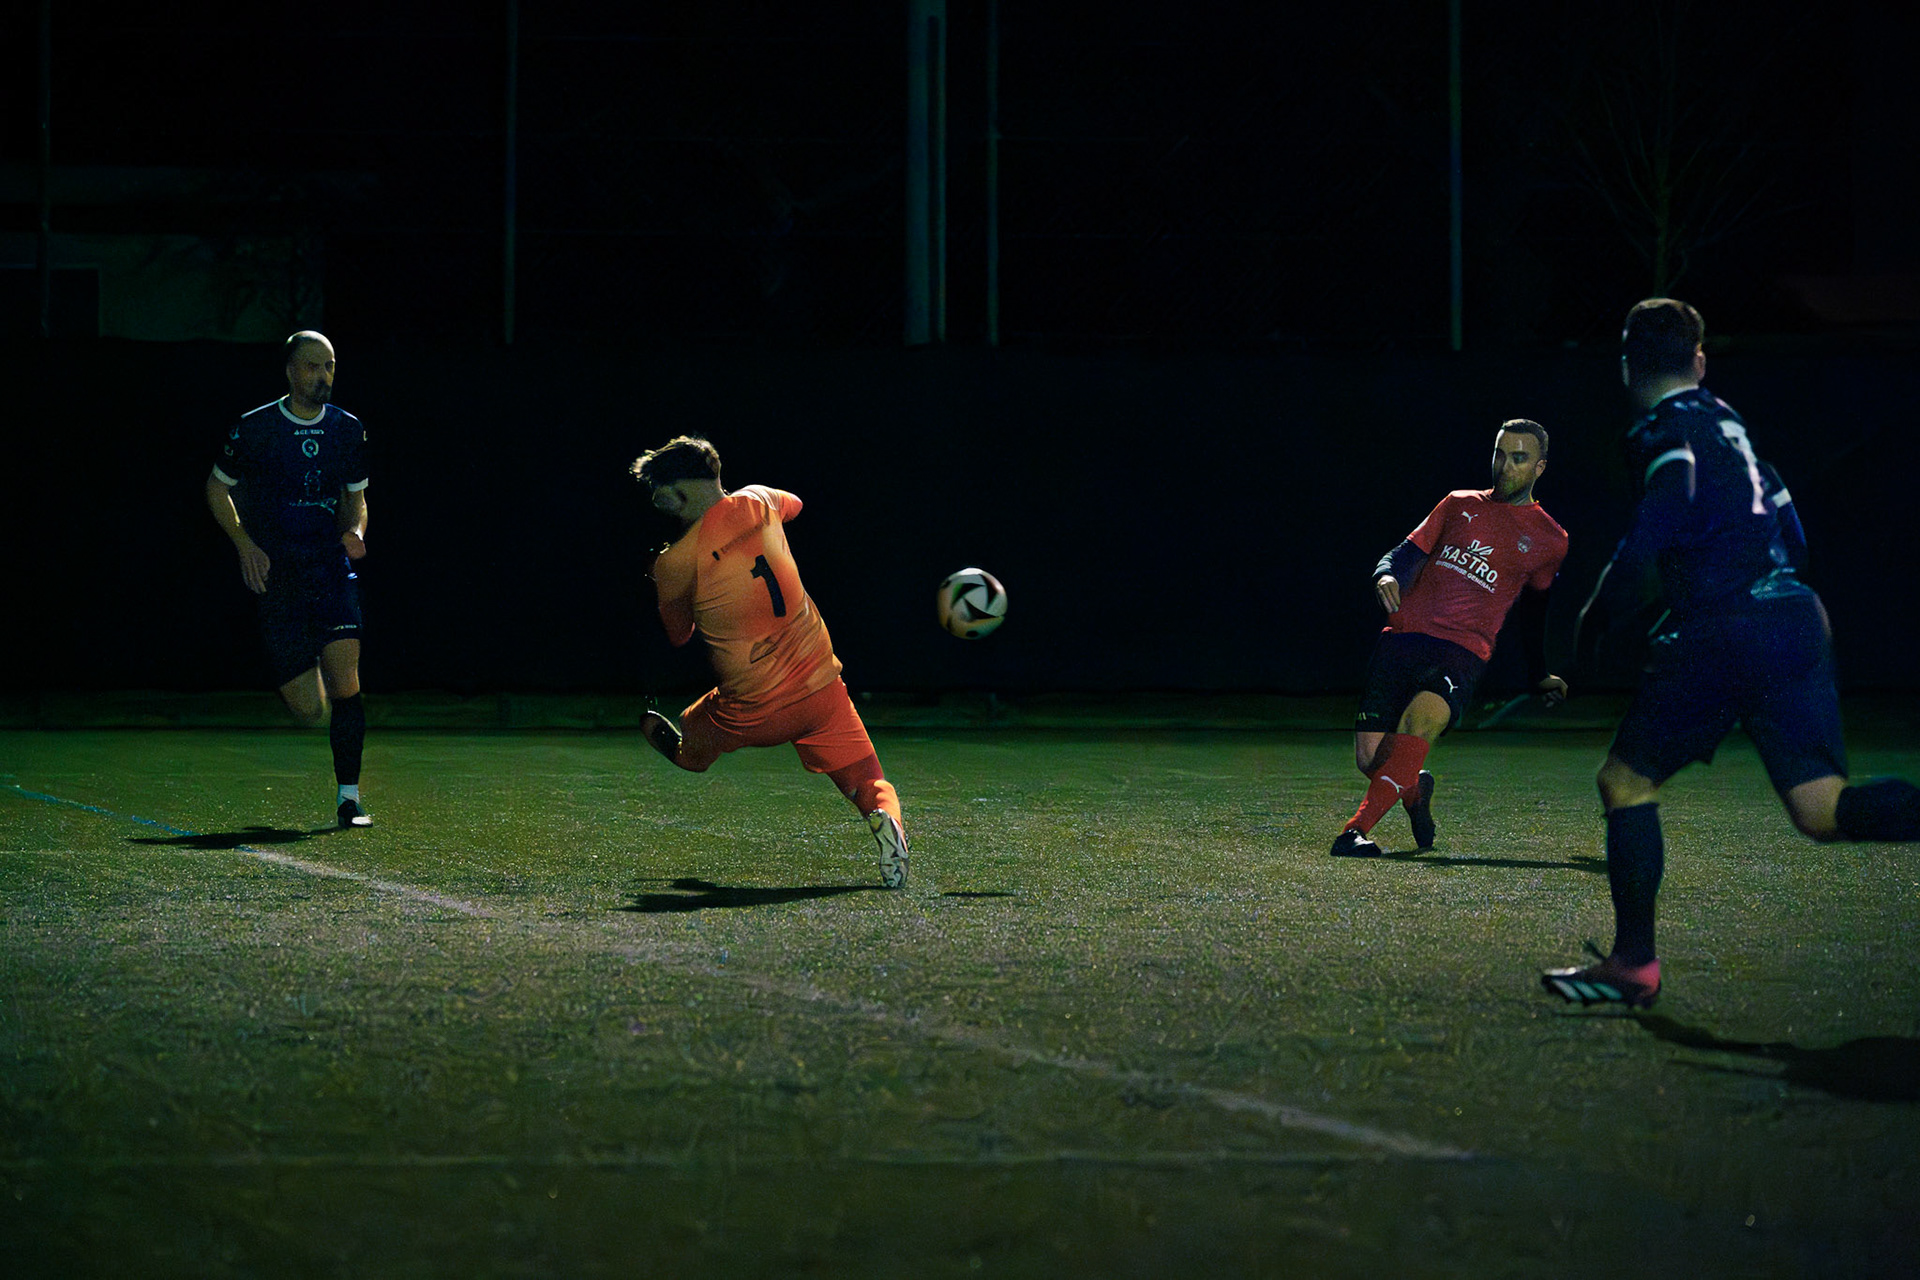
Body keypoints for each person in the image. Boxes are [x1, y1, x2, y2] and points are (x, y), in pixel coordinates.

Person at [1542, 298, 1920, 1008]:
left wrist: (1594, 622)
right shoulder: (1734, 430)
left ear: (1628, 367)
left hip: (1725, 630)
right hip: (1792, 617)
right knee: (1823, 808)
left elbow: (1663, 516)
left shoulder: (1663, 430)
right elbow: (1791, 532)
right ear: (1700, 361)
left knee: (1625, 782)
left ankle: (1633, 967)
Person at [631, 436, 909, 888]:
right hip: (822, 690)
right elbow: (795, 504)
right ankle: (883, 819)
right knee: (870, 782)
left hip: (752, 711)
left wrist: (666, 575)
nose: (657, 502)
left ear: (675, 492)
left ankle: (683, 750)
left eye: (658, 493)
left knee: (693, 736)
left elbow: (678, 635)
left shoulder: (675, 562)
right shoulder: (760, 499)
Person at [1331, 421, 1570, 857]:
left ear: (1540, 467)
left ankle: (1354, 830)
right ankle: (1413, 789)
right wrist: (1385, 573)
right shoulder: (1458, 503)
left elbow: (1535, 614)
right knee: (1373, 761)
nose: (1505, 466)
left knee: (1418, 726)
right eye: (1500, 454)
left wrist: (1539, 673)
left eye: (1518, 458)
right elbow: (1404, 555)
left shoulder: (1550, 540)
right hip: (1402, 640)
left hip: (1461, 651)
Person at [204, 331, 372, 829]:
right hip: (281, 577)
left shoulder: (348, 429)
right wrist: (245, 546)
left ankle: (349, 800)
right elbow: (217, 489)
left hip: (329, 569)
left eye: (331, 366)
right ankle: (298, 666)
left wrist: (355, 531)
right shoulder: (256, 428)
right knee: (308, 710)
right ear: (291, 372)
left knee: (347, 681)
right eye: (313, 367)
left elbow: (356, 497)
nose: (323, 377)